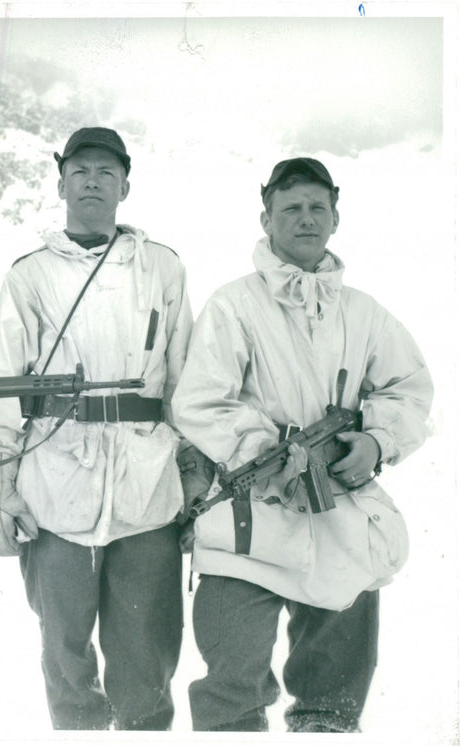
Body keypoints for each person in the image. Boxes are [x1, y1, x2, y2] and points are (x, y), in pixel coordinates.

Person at [171, 157, 433, 733]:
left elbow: (408, 390)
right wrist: (268, 452)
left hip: (338, 510)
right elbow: (199, 402)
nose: (306, 219)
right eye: (291, 208)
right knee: (231, 687)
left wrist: (374, 441)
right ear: (266, 218)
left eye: (318, 207)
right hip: (251, 515)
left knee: (333, 701)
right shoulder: (233, 304)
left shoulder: (365, 313)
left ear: (336, 218)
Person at [0, 127, 194, 730]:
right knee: (63, 644)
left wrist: (195, 474)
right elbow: (1, 387)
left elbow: (187, 382)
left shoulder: (162, 268)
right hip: (55, 474)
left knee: (147, 644)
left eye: (105, 172)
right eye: (80, 171)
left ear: (124, 185)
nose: (92, 181)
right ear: (62, 181)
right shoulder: (29, 275)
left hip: (147, 481)